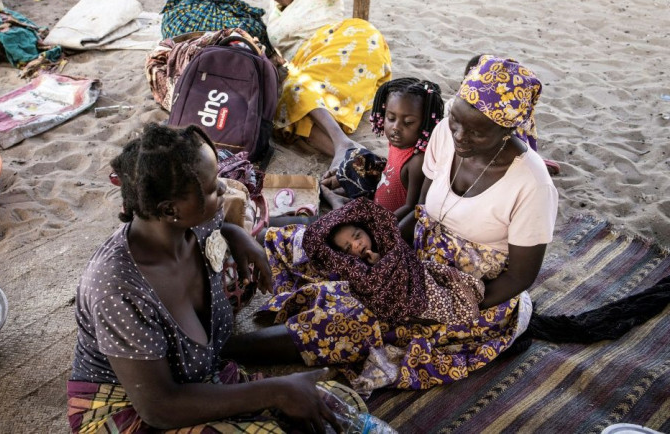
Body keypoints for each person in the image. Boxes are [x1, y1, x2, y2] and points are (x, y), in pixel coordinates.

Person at [228, 56, 558, 397]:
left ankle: (227, 350)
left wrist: (449, 306)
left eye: (476, 131)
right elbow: (423, 209)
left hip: (471, 292)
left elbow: (520, 276)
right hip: (415, 254)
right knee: (301, 242)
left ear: (507, 130)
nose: (459, 134)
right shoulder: (446, 134)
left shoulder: (532, 185)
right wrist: (383, 250)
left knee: (351, 321)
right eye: (455, 120)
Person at [67, 123, 380, 433]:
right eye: (210, 187)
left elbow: (218, 223)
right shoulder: (117, 287)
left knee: (329, 405)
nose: (223, 189)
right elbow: (159, 408)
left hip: (198, 377)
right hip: (134, 411)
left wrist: (236, 235)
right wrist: (275, 391)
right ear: (169, 208)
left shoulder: (189, 226)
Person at [256, 0, 392, 170]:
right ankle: (356, 155)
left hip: (342, 49)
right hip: (308, 66)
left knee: (298, 90)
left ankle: (342, 143)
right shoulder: (273, 15)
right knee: (291, 108)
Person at [310, 197, 484, 325]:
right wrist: (375, 267)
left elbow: (404, 261)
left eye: (357, 236)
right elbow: (367, 286)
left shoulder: (387, 242)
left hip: (416, 279)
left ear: (367, 230)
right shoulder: (351, 268)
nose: (357, 244)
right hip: (398, 298)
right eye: (348, 248)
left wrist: (381, 260)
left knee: (444, 291)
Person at [320, 78, 444, 220]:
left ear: (426, 123)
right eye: (391, 118)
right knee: (357, 156)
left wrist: (381, 226)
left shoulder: (417, 160)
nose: (396, 127)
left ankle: (335, 198)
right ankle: (338, 185)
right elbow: (389, 173)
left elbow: (411, 208)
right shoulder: (398, 143)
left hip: (388, 221)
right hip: (376, 202)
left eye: (408, 122)